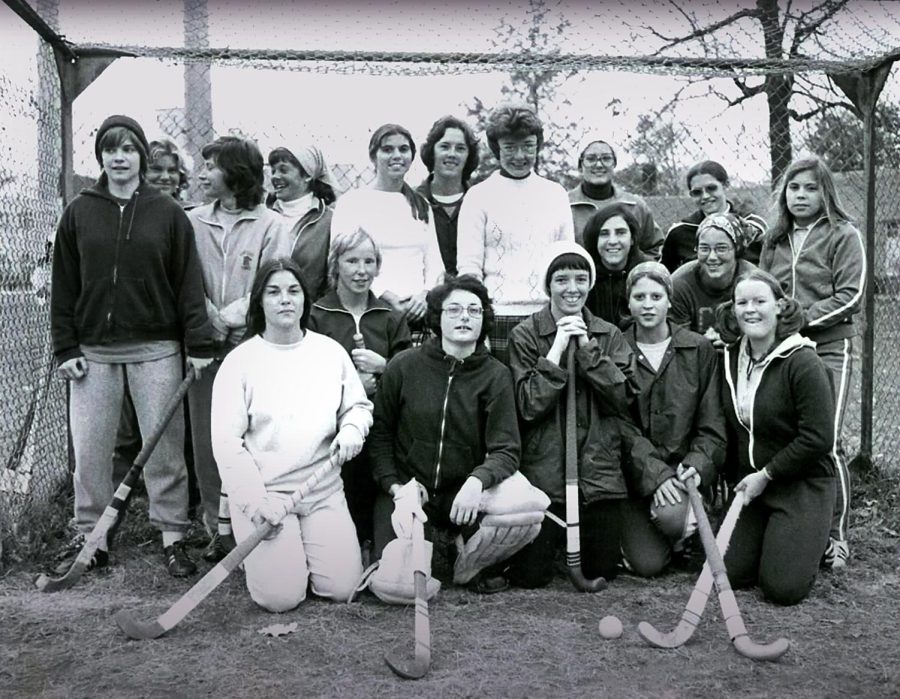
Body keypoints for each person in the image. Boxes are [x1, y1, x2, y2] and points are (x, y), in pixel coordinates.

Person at [50, 114, 214, 577]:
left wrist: (197, 341)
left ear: (142, 155)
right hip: (93, 354)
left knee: (163, 450)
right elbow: (64, 285)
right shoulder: (80, 210)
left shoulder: (166, 212)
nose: (118, 157)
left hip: (156, 348)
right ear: (100, 156)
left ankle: (172, 537)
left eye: (127, 148)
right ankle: (92, 539)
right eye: (109, 149)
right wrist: (66, 348)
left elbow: (187, 283)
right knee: (92, 451)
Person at [210, 258, 372, 611]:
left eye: (293, 291)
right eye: (274, 292)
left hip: (322, 491)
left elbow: (358, 407)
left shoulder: (330, 353)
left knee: (343, 589)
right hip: (268, 498)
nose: (285, 300)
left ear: (304, 300)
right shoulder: (240, 362)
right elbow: (226, 444)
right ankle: (251, 535)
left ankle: (304, 551)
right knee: (281, 599)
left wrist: (351, 430)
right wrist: (255, 504)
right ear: (260, 302)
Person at [368, 275, 533, 593]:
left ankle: (467, 553)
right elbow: (380, 437)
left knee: (524, 506)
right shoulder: (403, 367)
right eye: (454, 309)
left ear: (484, 319)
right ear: (437, 318)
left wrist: (476, 482)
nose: (464, 317)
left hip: (462, 494)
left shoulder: (496, 375)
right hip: (407, 491)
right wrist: (396, 487)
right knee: (401, 586)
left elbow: (506, 449)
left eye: (474, 310)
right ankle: (410, 546)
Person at [505, 241, 639, 588]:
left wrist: (589, 352)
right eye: (561, 279)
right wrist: (557, 349)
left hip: (597, 474)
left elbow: (623, 400)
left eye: (581, 279)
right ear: (548, 285)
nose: (572, 288)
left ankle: (577, 542)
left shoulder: (608, 334)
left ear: (590, 284)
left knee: (602, 571)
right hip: (547, 474)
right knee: (530, 577)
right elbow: (528, 406)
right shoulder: (525, 334)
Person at [760, 156, 865, 570]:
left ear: (826, 193)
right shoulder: (774, 239)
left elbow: (852, 295)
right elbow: (762, 290)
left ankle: (836, 535)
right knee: (785, 438)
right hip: (781, 351)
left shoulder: (844, 233)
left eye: (810, 188)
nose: (800, 196)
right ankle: (789, 521)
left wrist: (802, 316)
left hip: (828, 348)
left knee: (826, 440)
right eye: (793, 188)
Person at [188, 136, 289, 561]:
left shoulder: (272, 225)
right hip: (203, 346)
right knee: (209, 435)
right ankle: (215, 525)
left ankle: (252, 520)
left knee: (251, 436)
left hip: (250, 346)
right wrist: (207, 317)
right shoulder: (192, 221)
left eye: (211, 165)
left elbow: (273, 281)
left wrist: (233, 318)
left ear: (235, 172)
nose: (203, 174)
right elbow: (184, 277)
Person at [715, 269, 836, 604]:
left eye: (759, 301)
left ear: (780, 306)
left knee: (782, 589)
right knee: (726, 572)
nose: (750, 309)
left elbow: (818, 438)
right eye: (742, 302)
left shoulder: (803, 361)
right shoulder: (728, 358)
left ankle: (813, 537)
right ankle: (773, 537)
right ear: (733, 309)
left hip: (800, 483)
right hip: (751, 487)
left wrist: (767, 474)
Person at [308, 228, 412, 553]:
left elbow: (411, 373)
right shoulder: (316, 315)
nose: (361, 270)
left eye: (369, 261)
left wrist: (385, 367)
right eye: (352, 260)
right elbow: (304, 374)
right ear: (335, 265)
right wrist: (352, 386)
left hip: (383, 427)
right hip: (332, 427)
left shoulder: (390, 317)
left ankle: (373, 541)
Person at [619, 261, 726, 577]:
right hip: (635, 478)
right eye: (640, 297)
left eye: (656, 296)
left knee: (671, 516)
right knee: (648, 565)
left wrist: (696, 464)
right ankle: (661, 538)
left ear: (669, 299)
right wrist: (655, 475)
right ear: (629, 302)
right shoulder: (616, 348)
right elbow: (618, 425)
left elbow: (713, 423)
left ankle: (687, 529)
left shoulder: (697, 348)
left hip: (682, 474)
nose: (648, 304)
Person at [456, 104, 574, 364]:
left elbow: (567, 264)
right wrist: (480, 325)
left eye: (528, 146)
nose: (520, 155)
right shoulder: (478, 196)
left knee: (546, 394)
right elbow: (469, 270)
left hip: (547, 317)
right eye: (510, 147)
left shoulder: (556, 195)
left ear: (538, 145)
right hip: (498, 318)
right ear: (496, 148)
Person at [331, 123, 443, 330]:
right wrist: (386, 296)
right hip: (371, 309)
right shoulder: (352, 202)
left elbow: (434, 262)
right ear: (374, 156)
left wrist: (424, 296)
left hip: (419, 313)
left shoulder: (421, 205)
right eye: (387, 149)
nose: (397, 155)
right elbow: (342, 262)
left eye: (403, 149)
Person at [662, 160, 767, 272]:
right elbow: (665, 273)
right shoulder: (680, 231)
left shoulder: (752, 225)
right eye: (697, 192)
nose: (705, 196)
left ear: (726, 185)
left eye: (711, 188)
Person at [267, 144, 341, 302]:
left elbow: (333, 280)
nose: (275, 176)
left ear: (307, 176)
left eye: (283, 170)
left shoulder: (330, 221)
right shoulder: (264, 216)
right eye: (273, 171)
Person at [670, 212, 757, 345]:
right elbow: (677, 341)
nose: (712, 257)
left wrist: (734, 343)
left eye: (721, 248)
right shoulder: (679, 284)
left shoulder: (753, 282)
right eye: (704, 249)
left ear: (737, 250)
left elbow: (762, 332)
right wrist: (704, 345)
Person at [568, 138, 662, 258]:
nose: (599, 165)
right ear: (580, 165)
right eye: (591, 159)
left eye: (606, 158)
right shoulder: (564, 205)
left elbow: (653, 247)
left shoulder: (635, 206)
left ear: (614, 164)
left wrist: (640, 271)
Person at [416, 116, 480, 277]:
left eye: (460, 148)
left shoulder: (480, 201)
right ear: (432, 151)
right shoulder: (413, 201)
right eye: (444, 147)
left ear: (469, 156)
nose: (452, 154)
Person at [582, 202, 653, 326]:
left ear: (632, 239)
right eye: (604, 234)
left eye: (620, 233)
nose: (613, 241)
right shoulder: (584, 275)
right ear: (595, 240)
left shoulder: (649, 272)